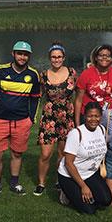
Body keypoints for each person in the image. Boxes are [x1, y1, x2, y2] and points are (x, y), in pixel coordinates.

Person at [0, 41, 41, 197]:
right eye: (19, 53)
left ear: (29, 56)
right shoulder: (0, 71)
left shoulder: (33, 75)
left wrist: (31, 118)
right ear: (13, 54)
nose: (22, 57)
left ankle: (14, 183)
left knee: (17, 153)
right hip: (0, 120)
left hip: (22, 121)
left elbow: (35, 98)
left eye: (25, 54)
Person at [34, 42, 77, 196]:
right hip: (49, 118)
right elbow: (37, 96)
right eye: (53, 57)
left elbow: (79, 94)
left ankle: (60, 180)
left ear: (64, 58)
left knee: (63, 153)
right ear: (49, 58)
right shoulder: (43, 75)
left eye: (59, 57)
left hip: (67, 117)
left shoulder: (72, 72)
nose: (56, 59)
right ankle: (41, 183)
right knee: (45, 153)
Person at [57, 102, 112, 214]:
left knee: (106, 200)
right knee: (89, 210)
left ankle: (81, 193)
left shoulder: (102, 130)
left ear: (101, 116)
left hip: (89, 174)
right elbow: (68, 163)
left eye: (96, 116)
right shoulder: (76, 133)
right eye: (90, 116)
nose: (93, 119)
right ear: (84, 116)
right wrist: (83, 186)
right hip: (69, 175)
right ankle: (66, 192)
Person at [74, 44, 112, 126]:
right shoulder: (86, 74)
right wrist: (77, 124)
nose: (104, 58)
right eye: (101, 55)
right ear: (96, 58)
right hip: (90, 117)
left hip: (111, 116)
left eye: (108, 56)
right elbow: (78, 100)